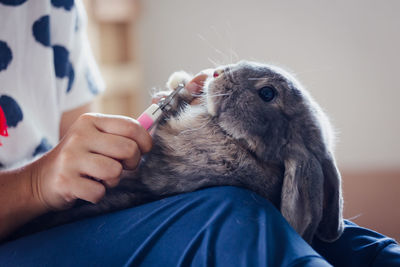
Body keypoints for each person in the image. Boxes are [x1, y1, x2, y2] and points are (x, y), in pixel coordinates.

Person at [0, 1, 399, 266]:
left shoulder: (54, 8)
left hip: (61, 223)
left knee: (345, 243)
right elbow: (47, 176)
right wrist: (35, 183)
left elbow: (73, 162)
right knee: (233, 220)